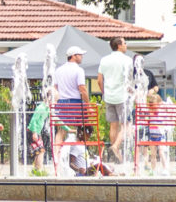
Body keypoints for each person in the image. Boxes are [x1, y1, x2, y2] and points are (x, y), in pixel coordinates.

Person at [51, 46, 90, 171]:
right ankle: (77, 153)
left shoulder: (58, 70)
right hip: (75, 103)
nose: (82, 56)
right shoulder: (79, 70)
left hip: (61, 103)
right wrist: (88, 105)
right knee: (79, 129)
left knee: (61, 131)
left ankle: (57, 155)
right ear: (73, 55)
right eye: (80, 54)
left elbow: (55, 88)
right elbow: (82, 89)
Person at [98, 37, 135, 167]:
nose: (126, 45)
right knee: (127, 125)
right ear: (119, 45)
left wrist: (104, 92)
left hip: (109, 96)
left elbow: (99, 80)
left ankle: (117, 154)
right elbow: (129, 80)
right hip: (123, 97)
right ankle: (115, 146)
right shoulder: (127, 60)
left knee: (113, 126)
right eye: (125, 43)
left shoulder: (104, 60)